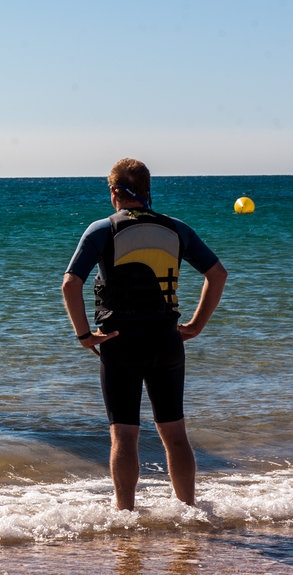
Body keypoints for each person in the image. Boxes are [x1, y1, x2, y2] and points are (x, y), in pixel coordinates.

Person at [61, 158, 227, 511]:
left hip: (119, 343)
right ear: (148, 190)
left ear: (113, 192)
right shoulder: (178, 229)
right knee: (175, 435)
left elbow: (70, 283)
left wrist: (84, 336)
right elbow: (218, 274)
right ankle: (189, 513)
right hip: (167, 342)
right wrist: (195, 326)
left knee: (124, 434)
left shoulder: (101, 229)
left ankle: (126, 517)